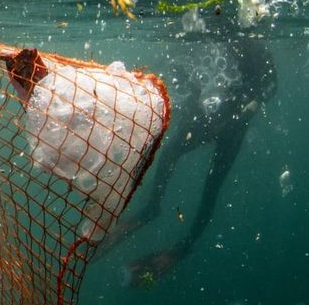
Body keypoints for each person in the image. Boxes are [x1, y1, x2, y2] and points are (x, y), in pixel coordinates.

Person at [99, 25, 277, 286]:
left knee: (210, 185)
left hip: (233, 124)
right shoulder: (221, 38)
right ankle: (151, 211)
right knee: (175, 158)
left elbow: (269, 85)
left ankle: (181, 243)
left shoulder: (252, 47)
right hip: (210, 116)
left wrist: (241, 112)